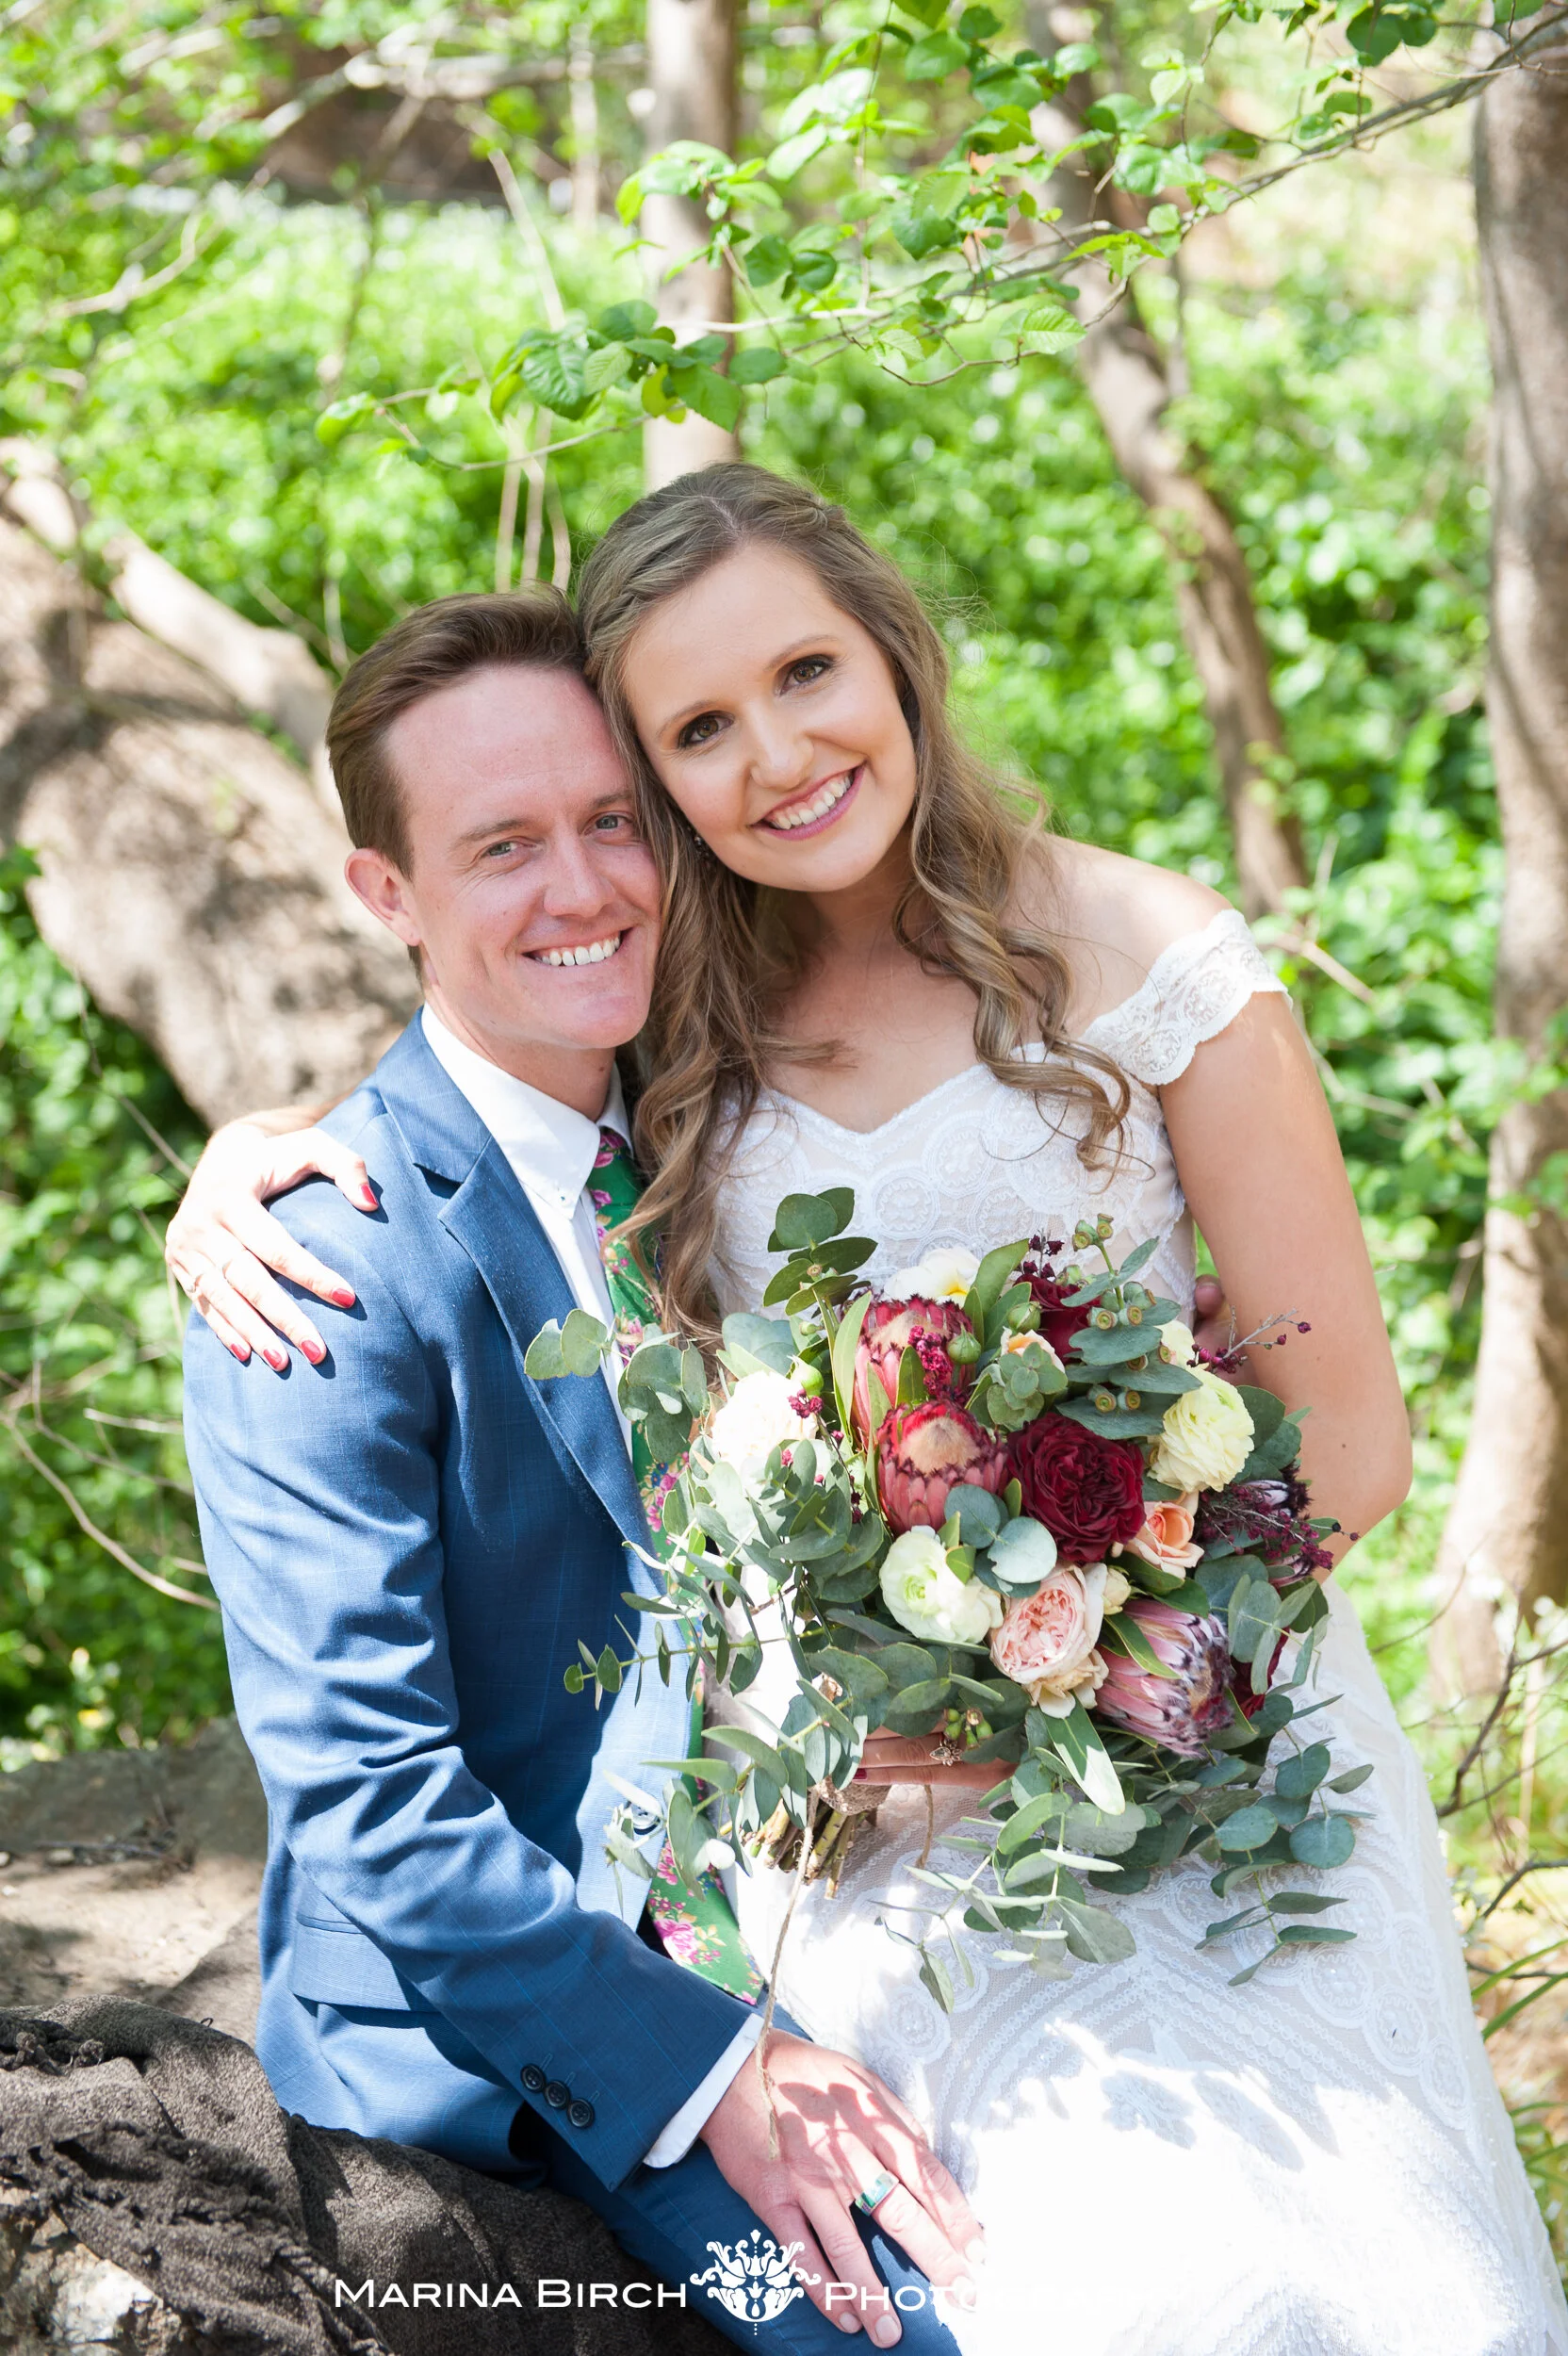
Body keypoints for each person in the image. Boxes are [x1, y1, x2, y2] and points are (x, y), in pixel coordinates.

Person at [172, 468, 1567, 2353]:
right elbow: (479, 1060)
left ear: (895, 653)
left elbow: (1345, 1432)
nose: (773, 754)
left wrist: (1064, 1677)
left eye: (806, 670)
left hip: (1175, 1743)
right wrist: (245, 1166)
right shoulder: (641, 1047)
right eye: (697, 731)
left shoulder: (1059, 965)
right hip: (793, 1866)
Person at [179, 587, 982, 2353]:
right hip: (549, 2011)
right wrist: (716, 2072)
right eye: (502, 847)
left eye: (613, 819)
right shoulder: (316, 1268)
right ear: (385, 896)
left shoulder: (716, 1112)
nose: (585, 888)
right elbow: (373, 1808)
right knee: (907, 2334)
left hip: (834, 1878)